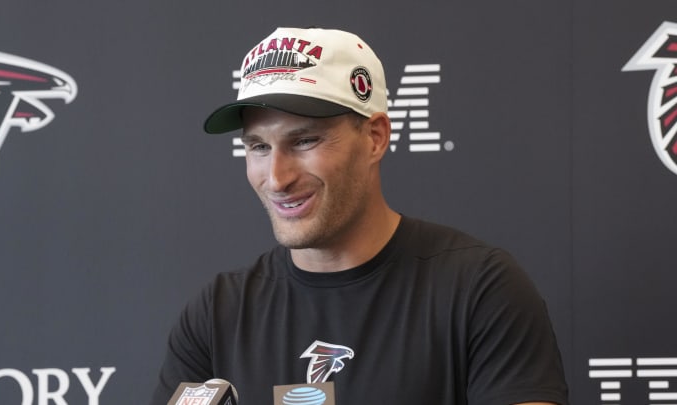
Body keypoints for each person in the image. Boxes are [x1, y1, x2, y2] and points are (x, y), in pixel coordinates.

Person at [150, 27, 569, 405]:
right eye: (258, 147)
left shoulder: (479, 288)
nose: (276, 178)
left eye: (304, 141)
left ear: (375, 138)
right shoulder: (218, 312)